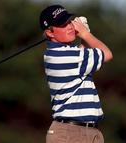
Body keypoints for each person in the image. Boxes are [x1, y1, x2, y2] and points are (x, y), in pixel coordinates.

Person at [39, 4, 113, 143]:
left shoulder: (65, 54)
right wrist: (85, 34)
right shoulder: (63, 56)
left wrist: (84, 38)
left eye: (69, 21)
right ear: (50, 32)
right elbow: (107, 54)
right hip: (70, 134)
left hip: (89, 132)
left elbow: (81, 55)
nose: (70, 26)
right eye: (62, 25)